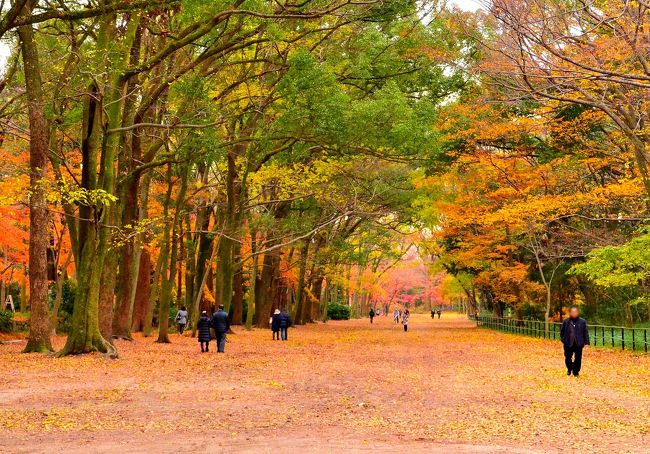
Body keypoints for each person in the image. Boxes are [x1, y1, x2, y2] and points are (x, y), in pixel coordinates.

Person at [560, 306, 590, 377]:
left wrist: (586, 341)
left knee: (578, 358)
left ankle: (576, 372)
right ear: (570, 313)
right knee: (567, 357)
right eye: (572, 312)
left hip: (579, 343)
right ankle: (569, 369)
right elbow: (562, 332)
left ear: (578, 313)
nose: (574, 313)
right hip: (568, 343)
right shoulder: (566, 321)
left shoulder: (582, 322)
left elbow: (585, 332)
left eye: (575, 312)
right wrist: (563, 339)